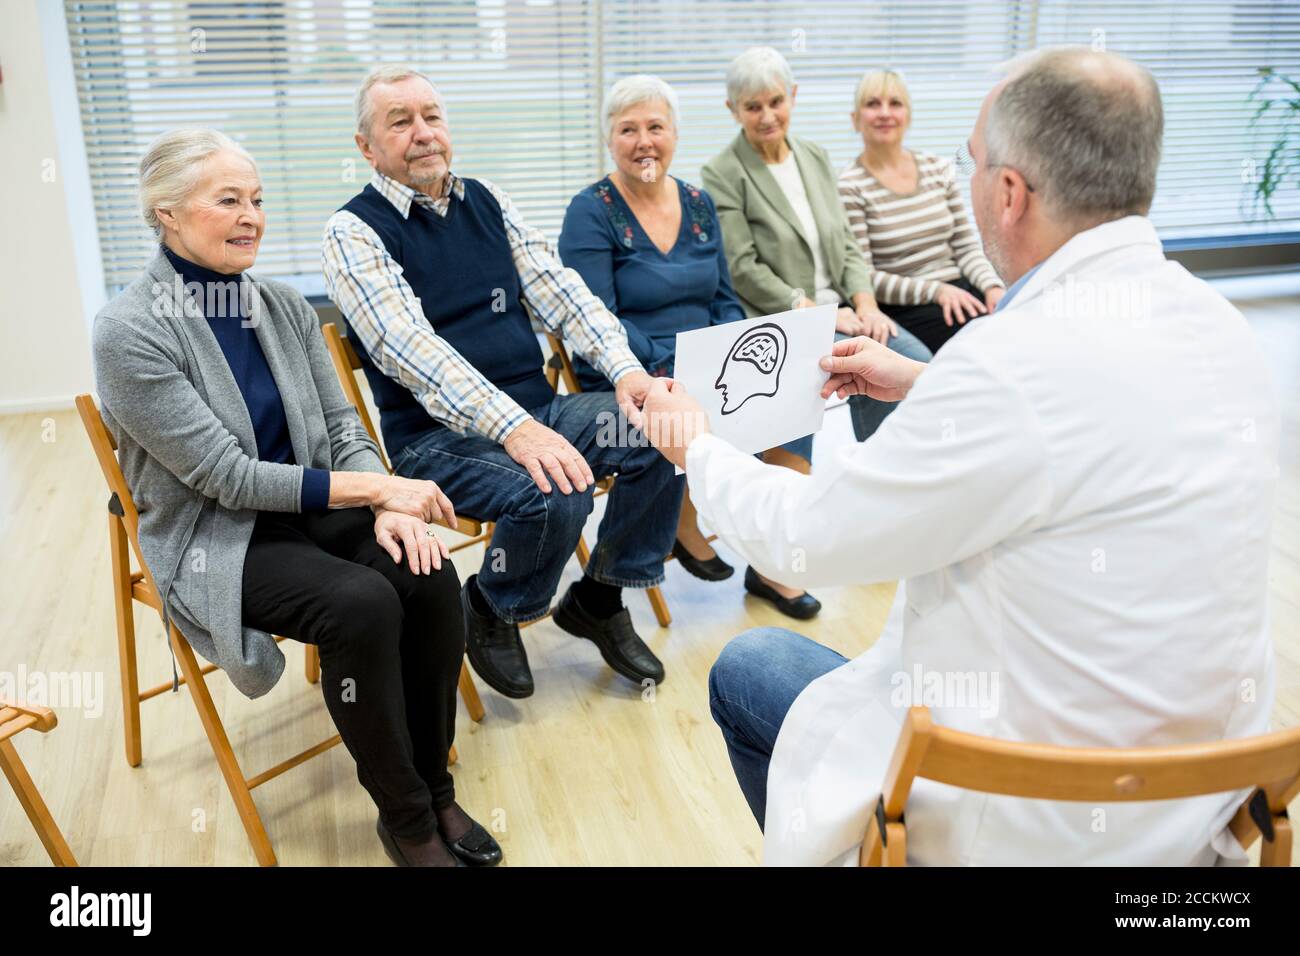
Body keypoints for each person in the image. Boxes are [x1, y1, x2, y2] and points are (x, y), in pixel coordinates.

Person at [646, 48, 1279, 866]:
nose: (969, 180)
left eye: (973, 163)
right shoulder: (1218, 322)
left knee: (749, 667)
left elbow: (809, 540)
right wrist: (927, 379)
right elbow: (1085, 419)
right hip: (1201, 799)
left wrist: (695, 444)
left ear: (1010, 194)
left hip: (1034, 812)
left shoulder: (1008, 362)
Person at [92, 129, 501, 867]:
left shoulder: (279, 304)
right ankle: (407, 819)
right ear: (167, 212)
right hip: (221, 533)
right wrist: (379, 485)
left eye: (256, 200)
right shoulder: (128, 333)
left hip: (316, 506)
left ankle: (436, 787)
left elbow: (343, 423)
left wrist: (389, 506)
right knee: (361, 604)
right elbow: (227, 477)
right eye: (228, 200)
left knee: (432, 574)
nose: (251, 215)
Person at [322, 67, 684, 700]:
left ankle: (599, 599)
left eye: (431, 116)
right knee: (554, 490)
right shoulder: (353, 232)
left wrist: (627, 370)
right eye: (399, 122)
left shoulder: (486, 199)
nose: (422, 133)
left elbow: (563, 294)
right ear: (366, 147)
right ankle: (491, 605)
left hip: (536, 408)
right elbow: (415, 351)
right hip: (435, 440)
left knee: (667, 431)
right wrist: (517, 430)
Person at [559, 74, 817, 603]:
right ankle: (684, 521)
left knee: (795, 396)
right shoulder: (591, 211)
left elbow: (724, 296)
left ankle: (773, 561)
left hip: (706, 362)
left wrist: (726, 350)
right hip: (631, 369)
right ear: (609, 139)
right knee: (695, 403)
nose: (644, 141)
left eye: (656, 126)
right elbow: (597, 318)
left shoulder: (699, 204)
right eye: (628, 129)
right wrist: (671, 365)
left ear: (675, 133)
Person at [838, 69, 1005, 362]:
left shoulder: (938, 168)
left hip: (962, 291)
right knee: (983, 353)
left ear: (909, 114)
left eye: (895, 103)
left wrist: (992, 286)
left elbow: (965, 247)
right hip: (909, 304)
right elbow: (863, 275)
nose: (885, 113)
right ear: (855, 118)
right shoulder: (850, 186)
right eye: (873, 104)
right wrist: (935, 291)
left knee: (1011, 331)